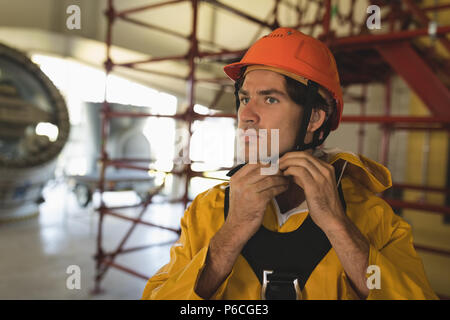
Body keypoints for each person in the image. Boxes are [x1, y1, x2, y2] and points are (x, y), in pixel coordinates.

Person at [142, 27, 438, 300]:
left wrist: (337, 226)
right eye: (245, 99)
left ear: (313, 118)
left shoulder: (373, 218)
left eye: (269, 100)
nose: (247, 115)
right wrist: (232, 233)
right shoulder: (207, 211)